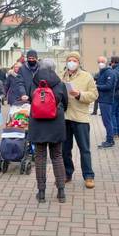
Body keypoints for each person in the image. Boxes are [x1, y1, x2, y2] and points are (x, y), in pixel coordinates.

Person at [29, 58, 68, 203]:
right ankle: (61, 192)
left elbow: (30, 101)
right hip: (55, 123)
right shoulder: (60, 84)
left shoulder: (34, 83)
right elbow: (66, 103)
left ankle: (41, 193)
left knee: (40, 157)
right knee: (57, 156)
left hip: (38, 123)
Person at [62, 52, 99, 189]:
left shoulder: (86, 76)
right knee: (65, 149)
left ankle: (88, 176)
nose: (71, 62)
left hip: (80, 118)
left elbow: (94, 95)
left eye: (74, 60)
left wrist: (79, 94)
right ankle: (67, 173)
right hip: (64, 117)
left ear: (79, 62)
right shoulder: (62, 76)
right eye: (69, 60)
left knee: (84, 149)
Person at [96, 56, 118, 149]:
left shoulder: (109, 72)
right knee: (106, 121)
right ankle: (109, 139)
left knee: (107, 121)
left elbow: (108, 86)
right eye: (99, 61)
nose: (100, 63)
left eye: (102, 61)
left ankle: (110, 140)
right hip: (103, 99)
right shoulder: (102, 72)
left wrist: (97, 86)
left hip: (107, 100)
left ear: (106, 62)